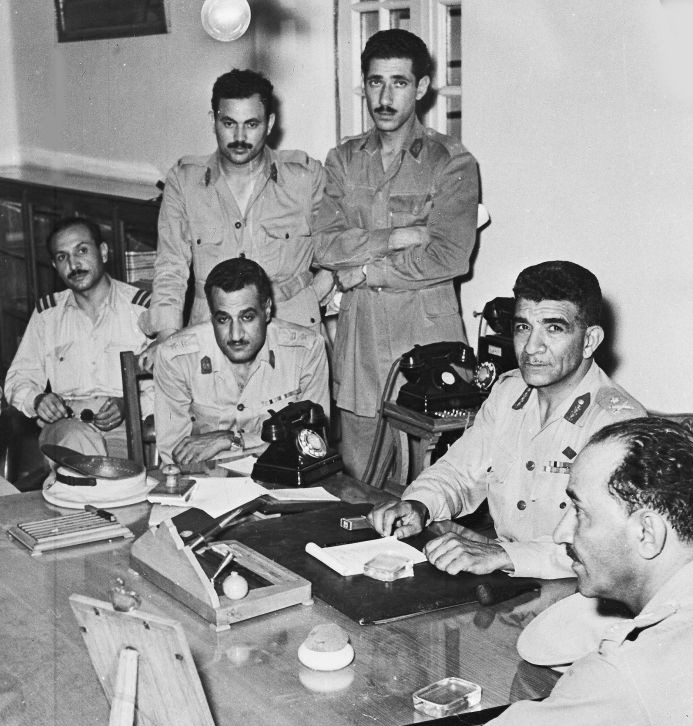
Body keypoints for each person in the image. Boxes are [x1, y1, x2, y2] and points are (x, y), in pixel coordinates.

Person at [465, 417, 693, 726]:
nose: (563, 532)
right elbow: (542, 643)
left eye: (578, 511)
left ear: (647, 533)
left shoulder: (637, 673)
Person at [370, 261, 644, 579]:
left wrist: (504, 554)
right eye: (523, 327)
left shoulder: (615, 424)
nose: (530, 347)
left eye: (553, 328)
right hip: (504, 577)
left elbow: (607, 549)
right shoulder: (508, 393)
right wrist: (419, 505)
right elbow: (459, 472)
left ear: (589, 341)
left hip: (577, 589)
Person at [318, 29, 480, 478]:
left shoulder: (452, 162)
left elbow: (448, 256)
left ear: (422, 88)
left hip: (426, 342)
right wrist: (396, 236)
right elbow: (324, 242)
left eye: (399, 82)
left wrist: (366, 269)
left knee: (432, 488)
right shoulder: (344, 159)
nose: (385, 97)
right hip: (360, 346)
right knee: (359, 480)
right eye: (375, 82)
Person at [140, 68, 337, 365]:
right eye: (229, 123)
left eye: (252, 124)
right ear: (213, 120)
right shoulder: (184, 181)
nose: (240, 137)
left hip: (293, 340)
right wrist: (168, 334)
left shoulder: (305, 178)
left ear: (269, 123)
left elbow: (339, 248)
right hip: (212, 339)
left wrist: (311, 295)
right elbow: (171, 266)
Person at [154, 256, 329, 465]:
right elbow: (177, 455)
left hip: (283, 479)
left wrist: (231, 440)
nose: (235, 335)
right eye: (223, 319)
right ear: (211, 317)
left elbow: (313, 443)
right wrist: (267, 447)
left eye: (247, 317)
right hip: (210, 484)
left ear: (266, 310)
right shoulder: (177, 358)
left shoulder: (306, 350)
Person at [3, 217, 151, 459]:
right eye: (62, 257)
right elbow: (19, 378)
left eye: (82, 250)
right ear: (54, 265)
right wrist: (38, 400)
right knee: (79, 442)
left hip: (126, 428)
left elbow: (168, 382)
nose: (74, 264)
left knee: (118, 470)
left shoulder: (141, 309)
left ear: (103, 252)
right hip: (66, 426)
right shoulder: (47, 314)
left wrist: (128, 405)